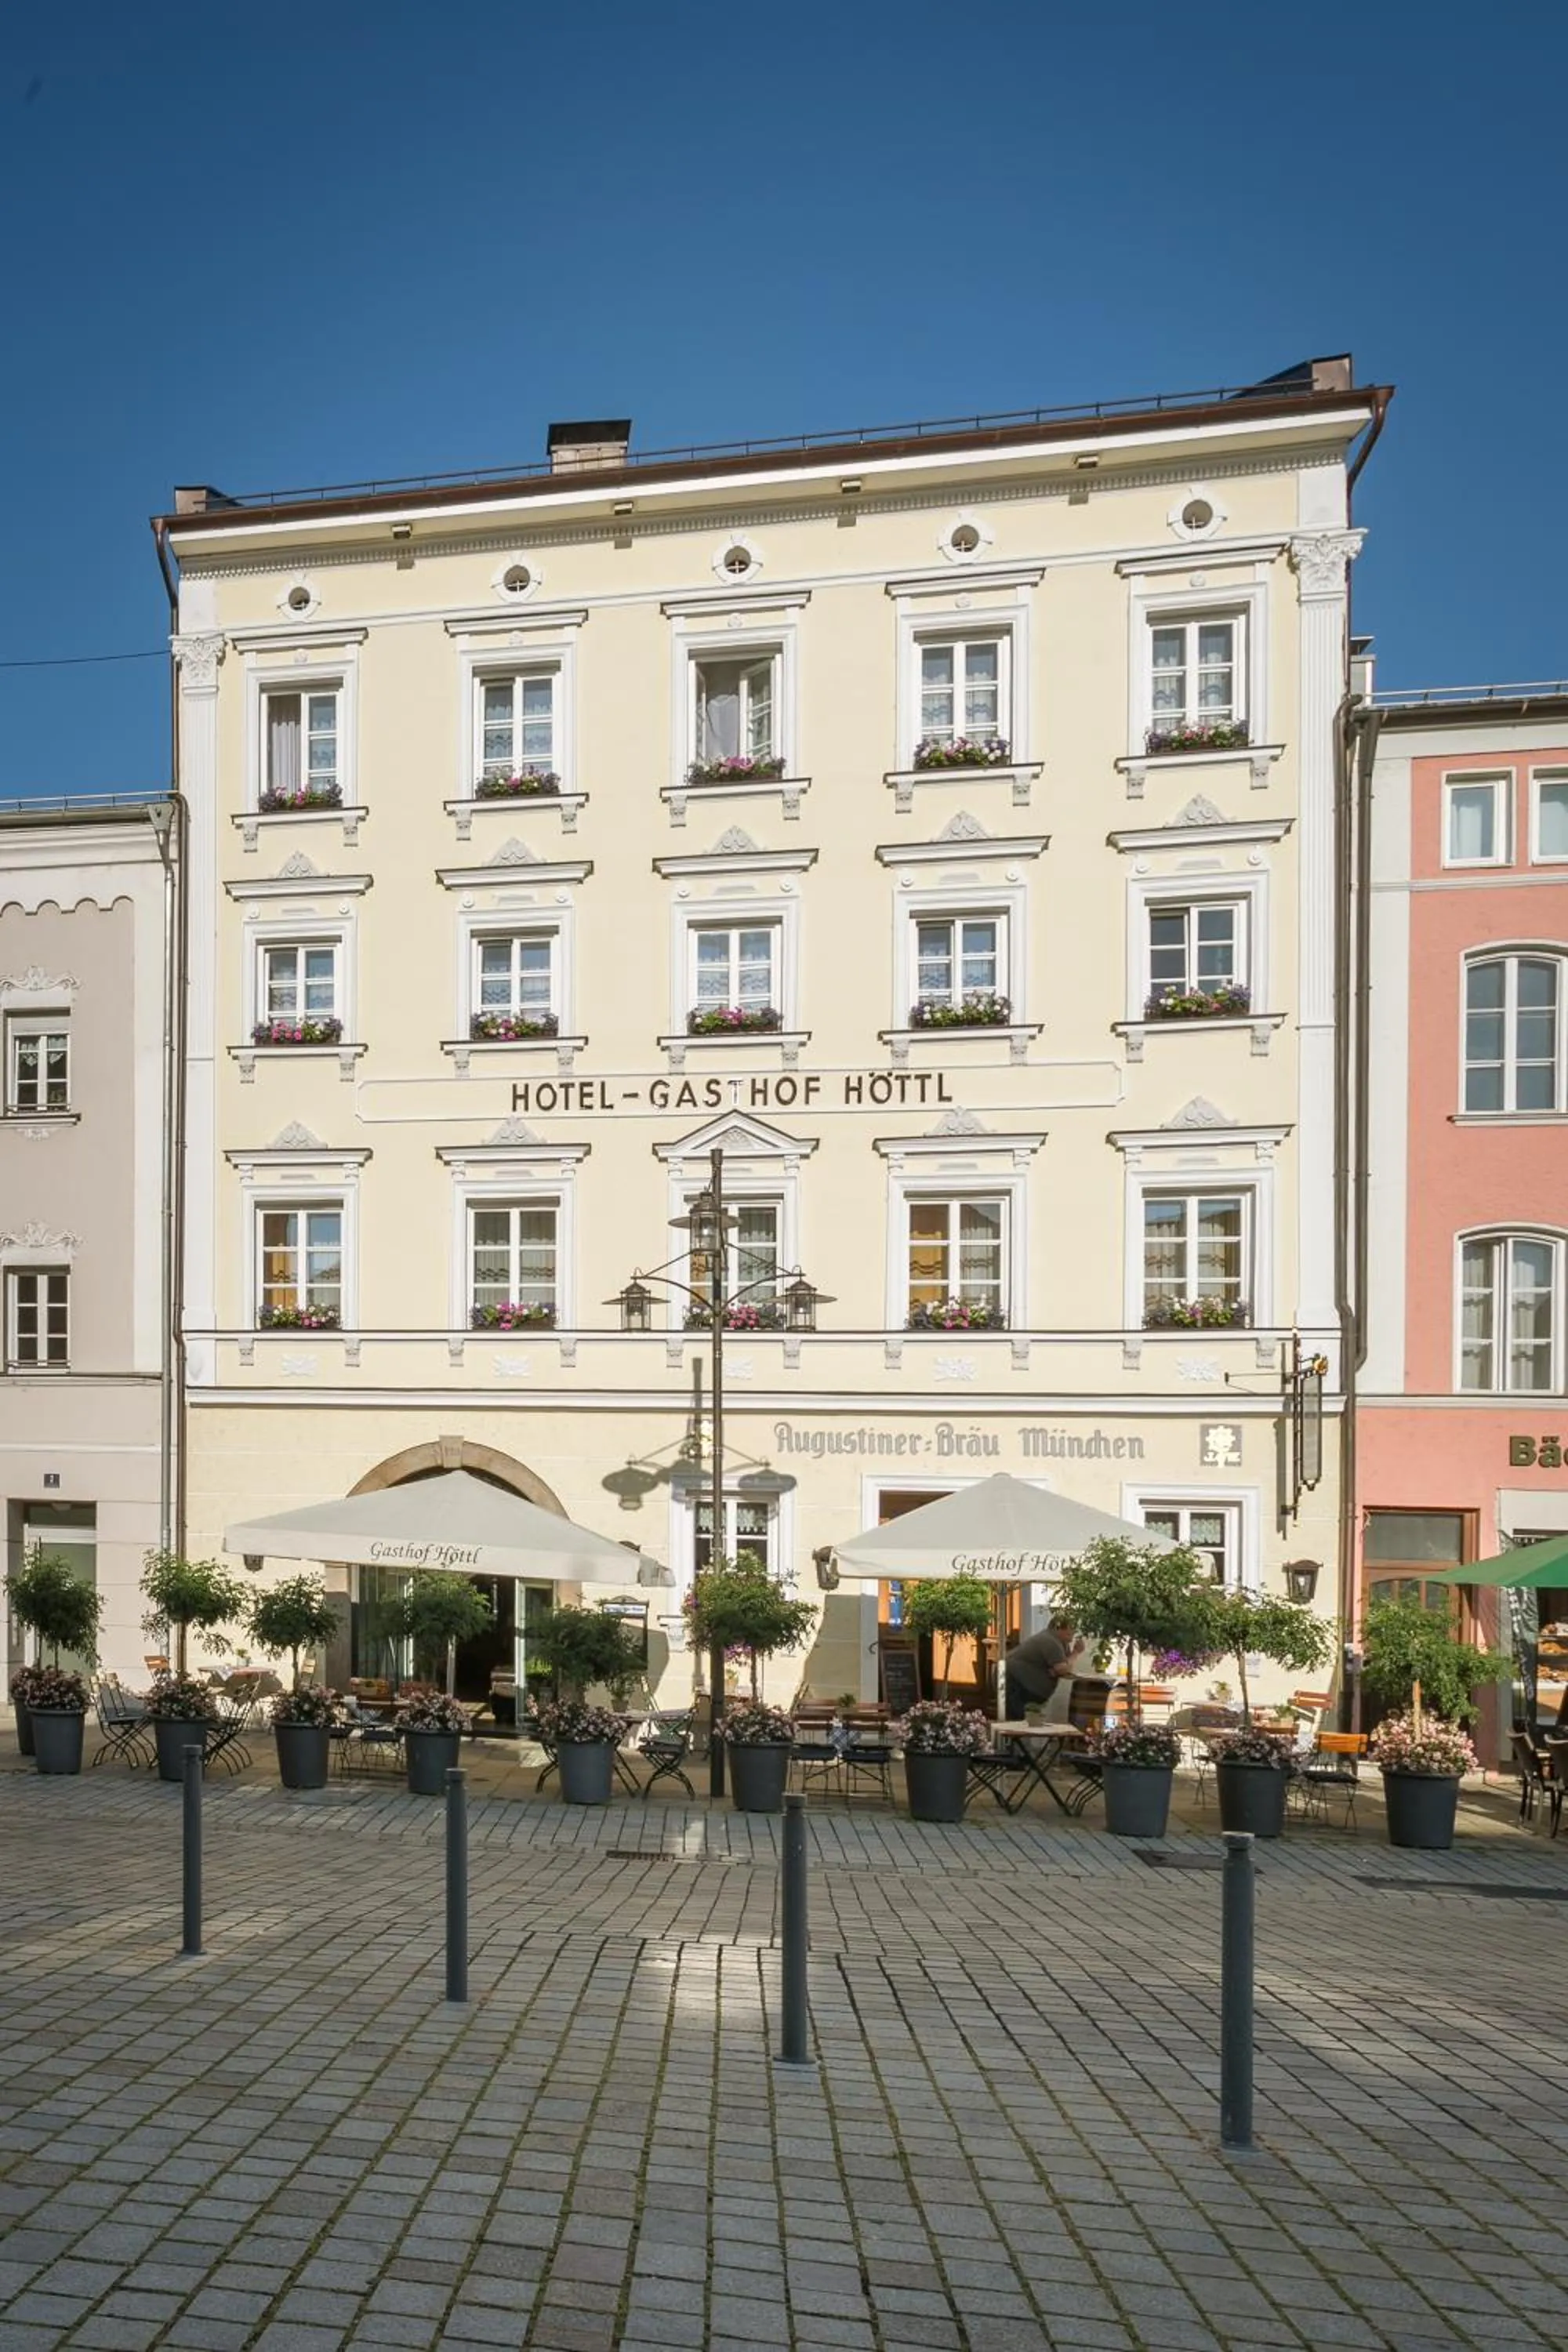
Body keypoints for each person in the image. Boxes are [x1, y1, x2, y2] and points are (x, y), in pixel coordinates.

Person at [1004, 1615, 1080, 1722]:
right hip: (1014, 1680)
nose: (1074, 1631)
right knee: (1015, 1721)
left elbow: (1063, 1667)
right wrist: (1076, 1653)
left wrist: (1057, 1670)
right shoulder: (1050, 1641)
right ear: (1057, 1628)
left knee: (1019, 1720)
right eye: (1070, 1628)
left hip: (1020, 1682)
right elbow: (1063, 1669)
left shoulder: (1061, 1644)